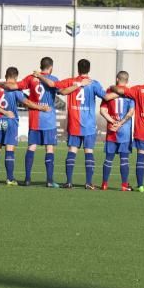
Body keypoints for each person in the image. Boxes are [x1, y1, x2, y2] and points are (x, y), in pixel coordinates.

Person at [0, 66, 51, 186]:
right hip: (11, 121)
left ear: (5, 76)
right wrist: (42, 108)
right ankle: (9, 179)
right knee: (9, 149)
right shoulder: (15, 90)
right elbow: (27, 102)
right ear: (15, 77)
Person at [46, 59, 106, 190]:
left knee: (72, 150)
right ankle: (89, 182)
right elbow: (106, 97)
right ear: (89, 69)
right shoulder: (94, 83)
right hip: (89, 124)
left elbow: (58, 89)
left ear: (78, 69)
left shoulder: (70, 81)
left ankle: (68, 182)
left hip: (74, 123)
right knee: (88, 151)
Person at [19, 57, 59, 187]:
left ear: (41, 66)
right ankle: (49, 180)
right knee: (49, 148)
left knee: (32, 146)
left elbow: (18, 87)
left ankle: (27, 178)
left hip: (35, 117)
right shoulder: (53, 79)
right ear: (51, 67)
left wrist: (25, 98)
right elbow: (61, 90)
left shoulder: (31, 78)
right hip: (48, 119)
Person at [101, 71, 135, 191]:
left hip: (112, 130)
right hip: (124, 131)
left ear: (117, 79)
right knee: (124, 159)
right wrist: (120, 123)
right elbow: (131, 112)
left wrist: (112, 122)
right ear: (127, 81)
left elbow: (102, 110)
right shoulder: (130, 93)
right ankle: (124, 185)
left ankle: (104, 184)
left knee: (108, 159)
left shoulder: (109, 92)